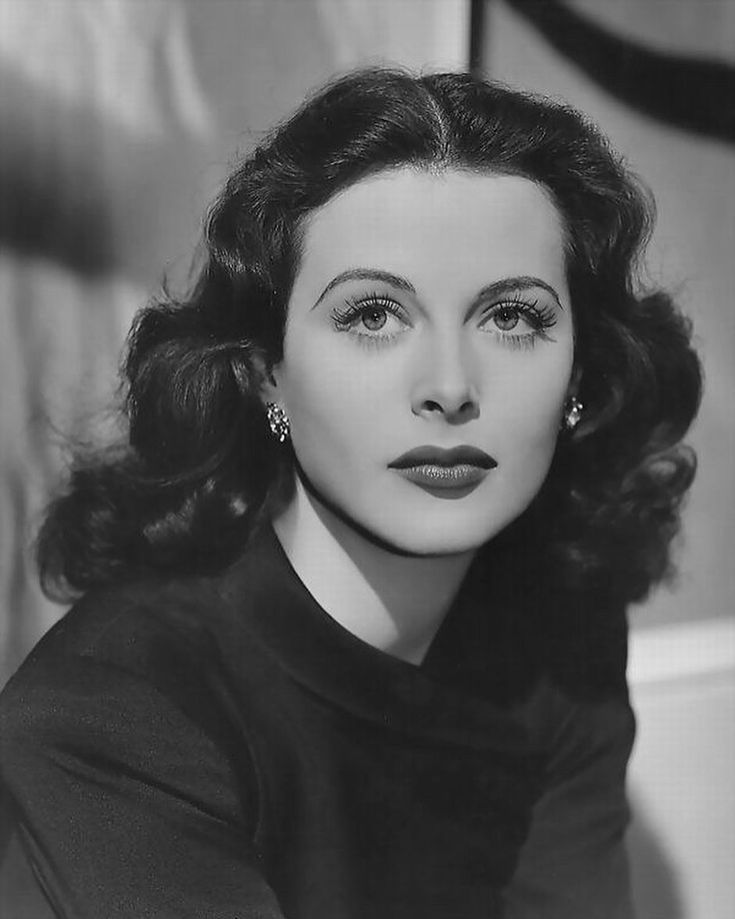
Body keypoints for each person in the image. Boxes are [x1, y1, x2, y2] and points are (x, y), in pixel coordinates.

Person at [0, 68, 701, 919]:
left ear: (580, 375)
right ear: (264, 374)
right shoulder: (118, 710)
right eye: (373, 314)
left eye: (512, 317)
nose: (448, 384)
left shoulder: (559, 629)